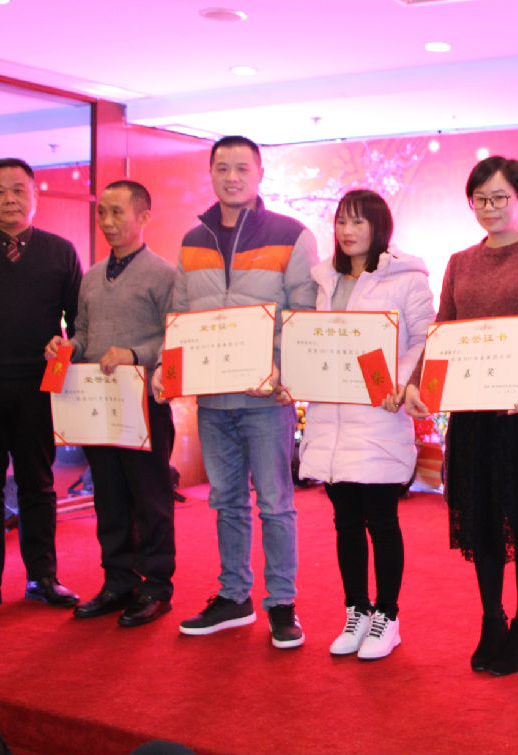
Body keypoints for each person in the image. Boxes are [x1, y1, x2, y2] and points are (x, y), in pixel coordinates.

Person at [404, 156, 518, 676]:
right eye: (480, 199)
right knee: (481, 519)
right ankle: (491, 619)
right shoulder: (460, 262)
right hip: (473, 414)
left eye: (500, 197)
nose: (490, 207)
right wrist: (418, 382)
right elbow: (444, 328)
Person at [152, 135, 316, 648]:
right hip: (212, 399)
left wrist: (284, 368)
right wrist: (166, 368)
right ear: (211, 173)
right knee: (225, 501)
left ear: (260, 173)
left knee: (275, 504)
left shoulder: (291, 235)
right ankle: (234, 596)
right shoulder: (193, 240)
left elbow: (304, 311)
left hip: (266, 398)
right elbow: (180, 316)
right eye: (222, 168)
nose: (232, 177)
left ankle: (282, 603)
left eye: (242, 168)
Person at [298, 189, 435, 660]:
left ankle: (387, 617)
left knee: (381, 520)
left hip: (379, 415)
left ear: (379, 226)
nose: (347, 231)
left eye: (358, 222)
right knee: (345, 522)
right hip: (330, 421)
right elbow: (311, 343)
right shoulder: (324, 279)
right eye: (341, 221)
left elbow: (424, 338)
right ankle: (356, 610)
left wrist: (402, 382)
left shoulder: (406, 278)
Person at [0, 158, 83, 622]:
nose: (9, 199)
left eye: (19, 190)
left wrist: (65, 358)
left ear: (34, 195)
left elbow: (77, 323)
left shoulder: (60, 252)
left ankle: (42, 576)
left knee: (38, 484)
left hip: (37, 385)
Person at [44, 180, 177, 628]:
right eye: (102, 212)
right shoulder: (92, 275)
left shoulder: (164, 274)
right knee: (109, 496)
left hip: (143, 401)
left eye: (117, 212)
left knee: (150, 497)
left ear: (144, 217)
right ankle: (118, 580)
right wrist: (66, 347)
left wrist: (134, 354)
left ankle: (156, 585)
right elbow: (83, 332)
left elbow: (175, 336)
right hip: (97, 404)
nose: (107, 221)